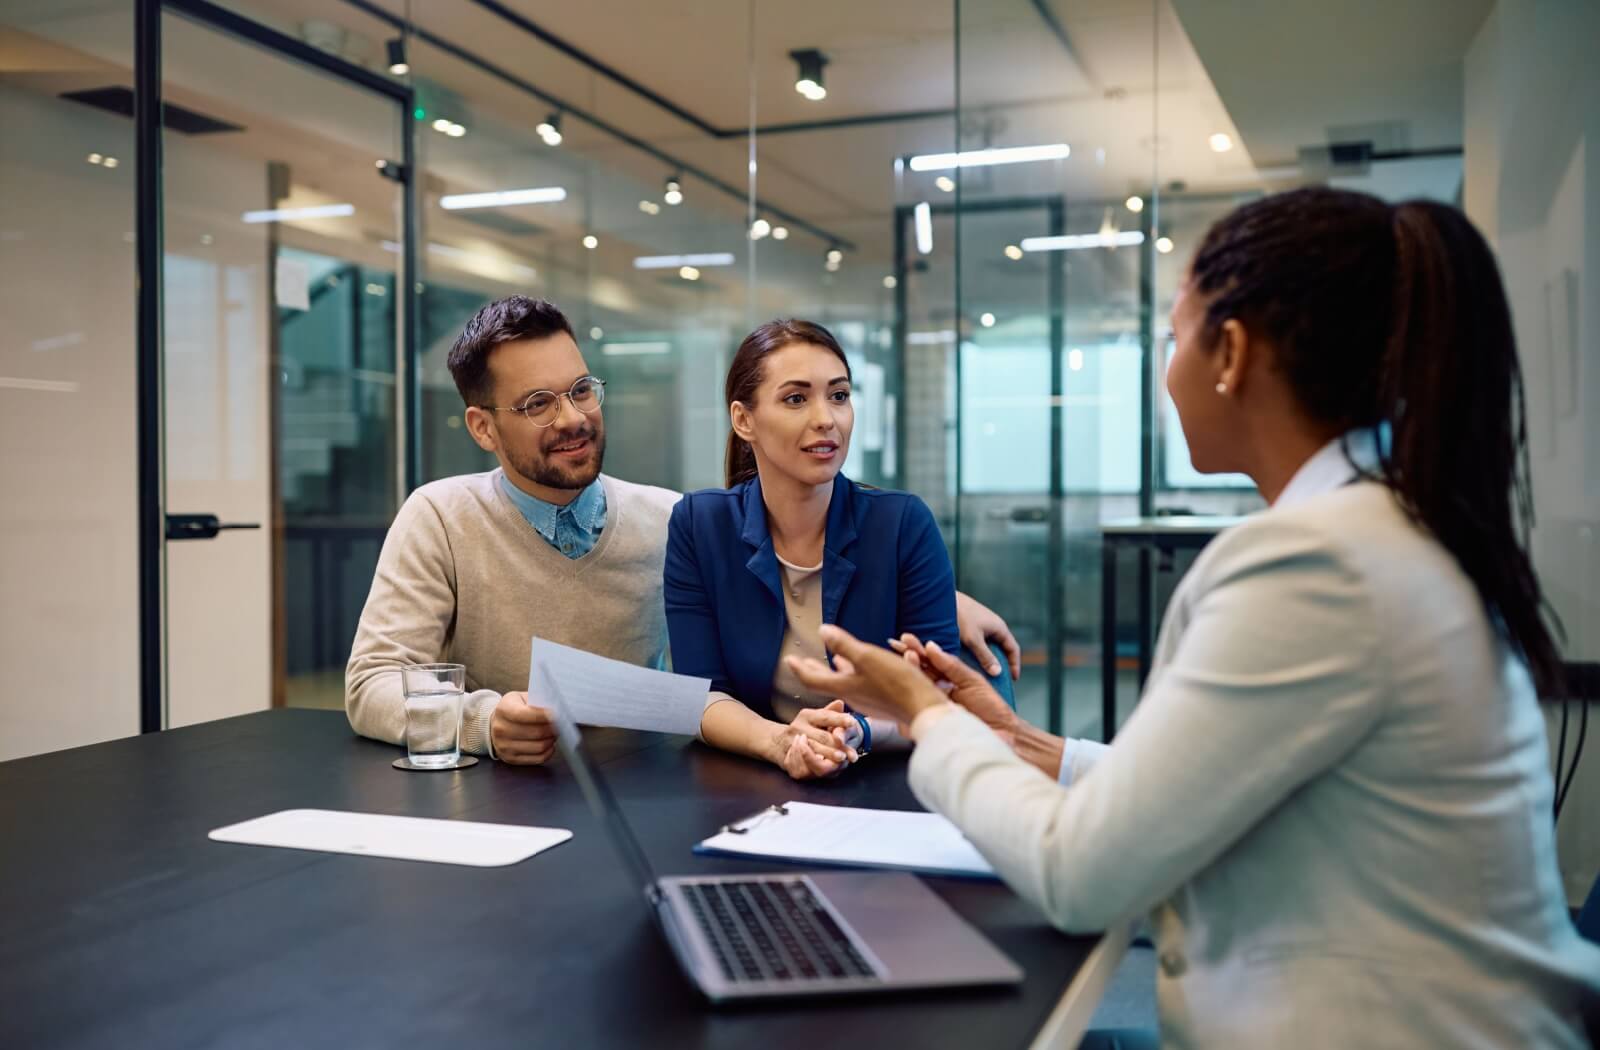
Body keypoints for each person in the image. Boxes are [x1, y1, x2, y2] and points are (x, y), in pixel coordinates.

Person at [786, 189, 1600, 1046]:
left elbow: (1078, 875)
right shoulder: (1381, 528)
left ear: (1234, 352)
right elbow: (1228, 780)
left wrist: (926, 714)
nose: (1168, 370)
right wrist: (1029, 747)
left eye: (1175, 339)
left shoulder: (1317, 564)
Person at [345, 296, 1019, 765]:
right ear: (483, 427)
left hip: (650, 787)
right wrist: (483, 722)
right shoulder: (439, 516)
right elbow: (373, 684)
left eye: (581, 389)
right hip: (505, 796)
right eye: (538, 404)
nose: (574, 417)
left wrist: (942, 597)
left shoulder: (667, 520)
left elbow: (783, 549)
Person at [664, 320, 966, 780]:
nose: (826, 418)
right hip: (752, 783)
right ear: (744, 420)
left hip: (887, 784)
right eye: (796, 398)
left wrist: (853, 732)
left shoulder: (903, 523)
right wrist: (781, 743)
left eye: (839, 395)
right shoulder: (699, 524)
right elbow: (701, 695)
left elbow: (938, 695)